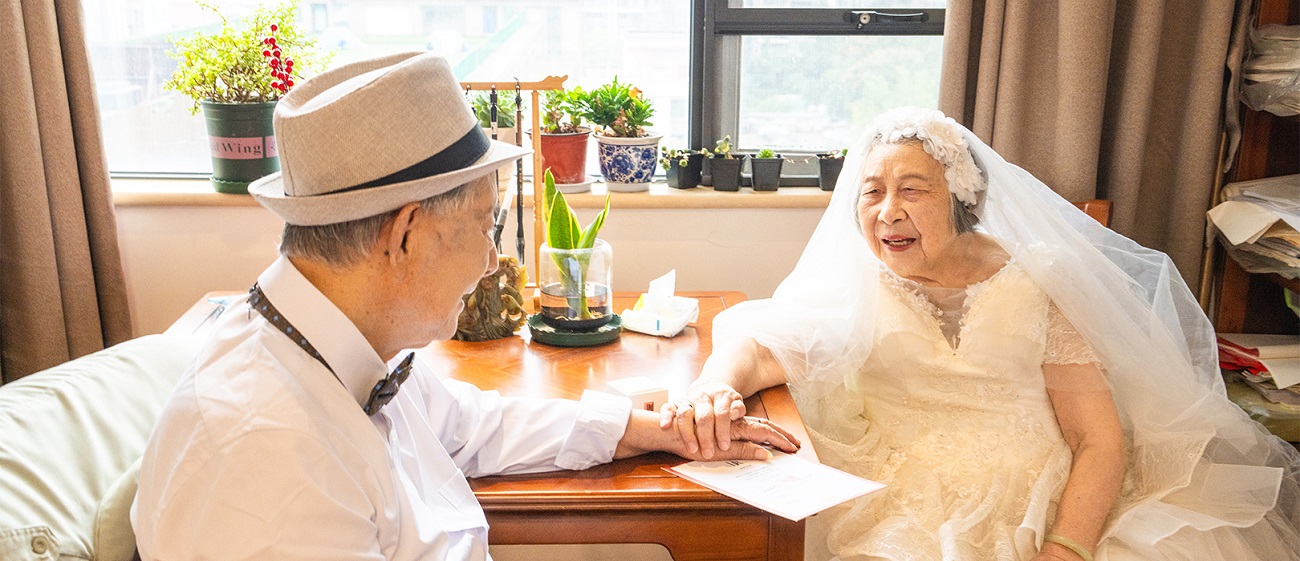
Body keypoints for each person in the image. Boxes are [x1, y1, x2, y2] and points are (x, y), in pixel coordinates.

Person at [130, 51, 799, 560]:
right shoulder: (267, 461)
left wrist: (634, 427)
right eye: (487, 223)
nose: (491, 260)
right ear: (407, 234)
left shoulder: (339, 346)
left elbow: (469, 424)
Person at [663, 107, 1300, 560]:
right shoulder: (860, 279)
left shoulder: (1041, 281)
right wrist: (713, 386)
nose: (888, 212)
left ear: (959, 201)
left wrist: (1067, 549)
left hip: (1039, 491)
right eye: (872, 192)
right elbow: (761, 345)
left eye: (913, 190)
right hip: (896, 491)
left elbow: (1096, 439)